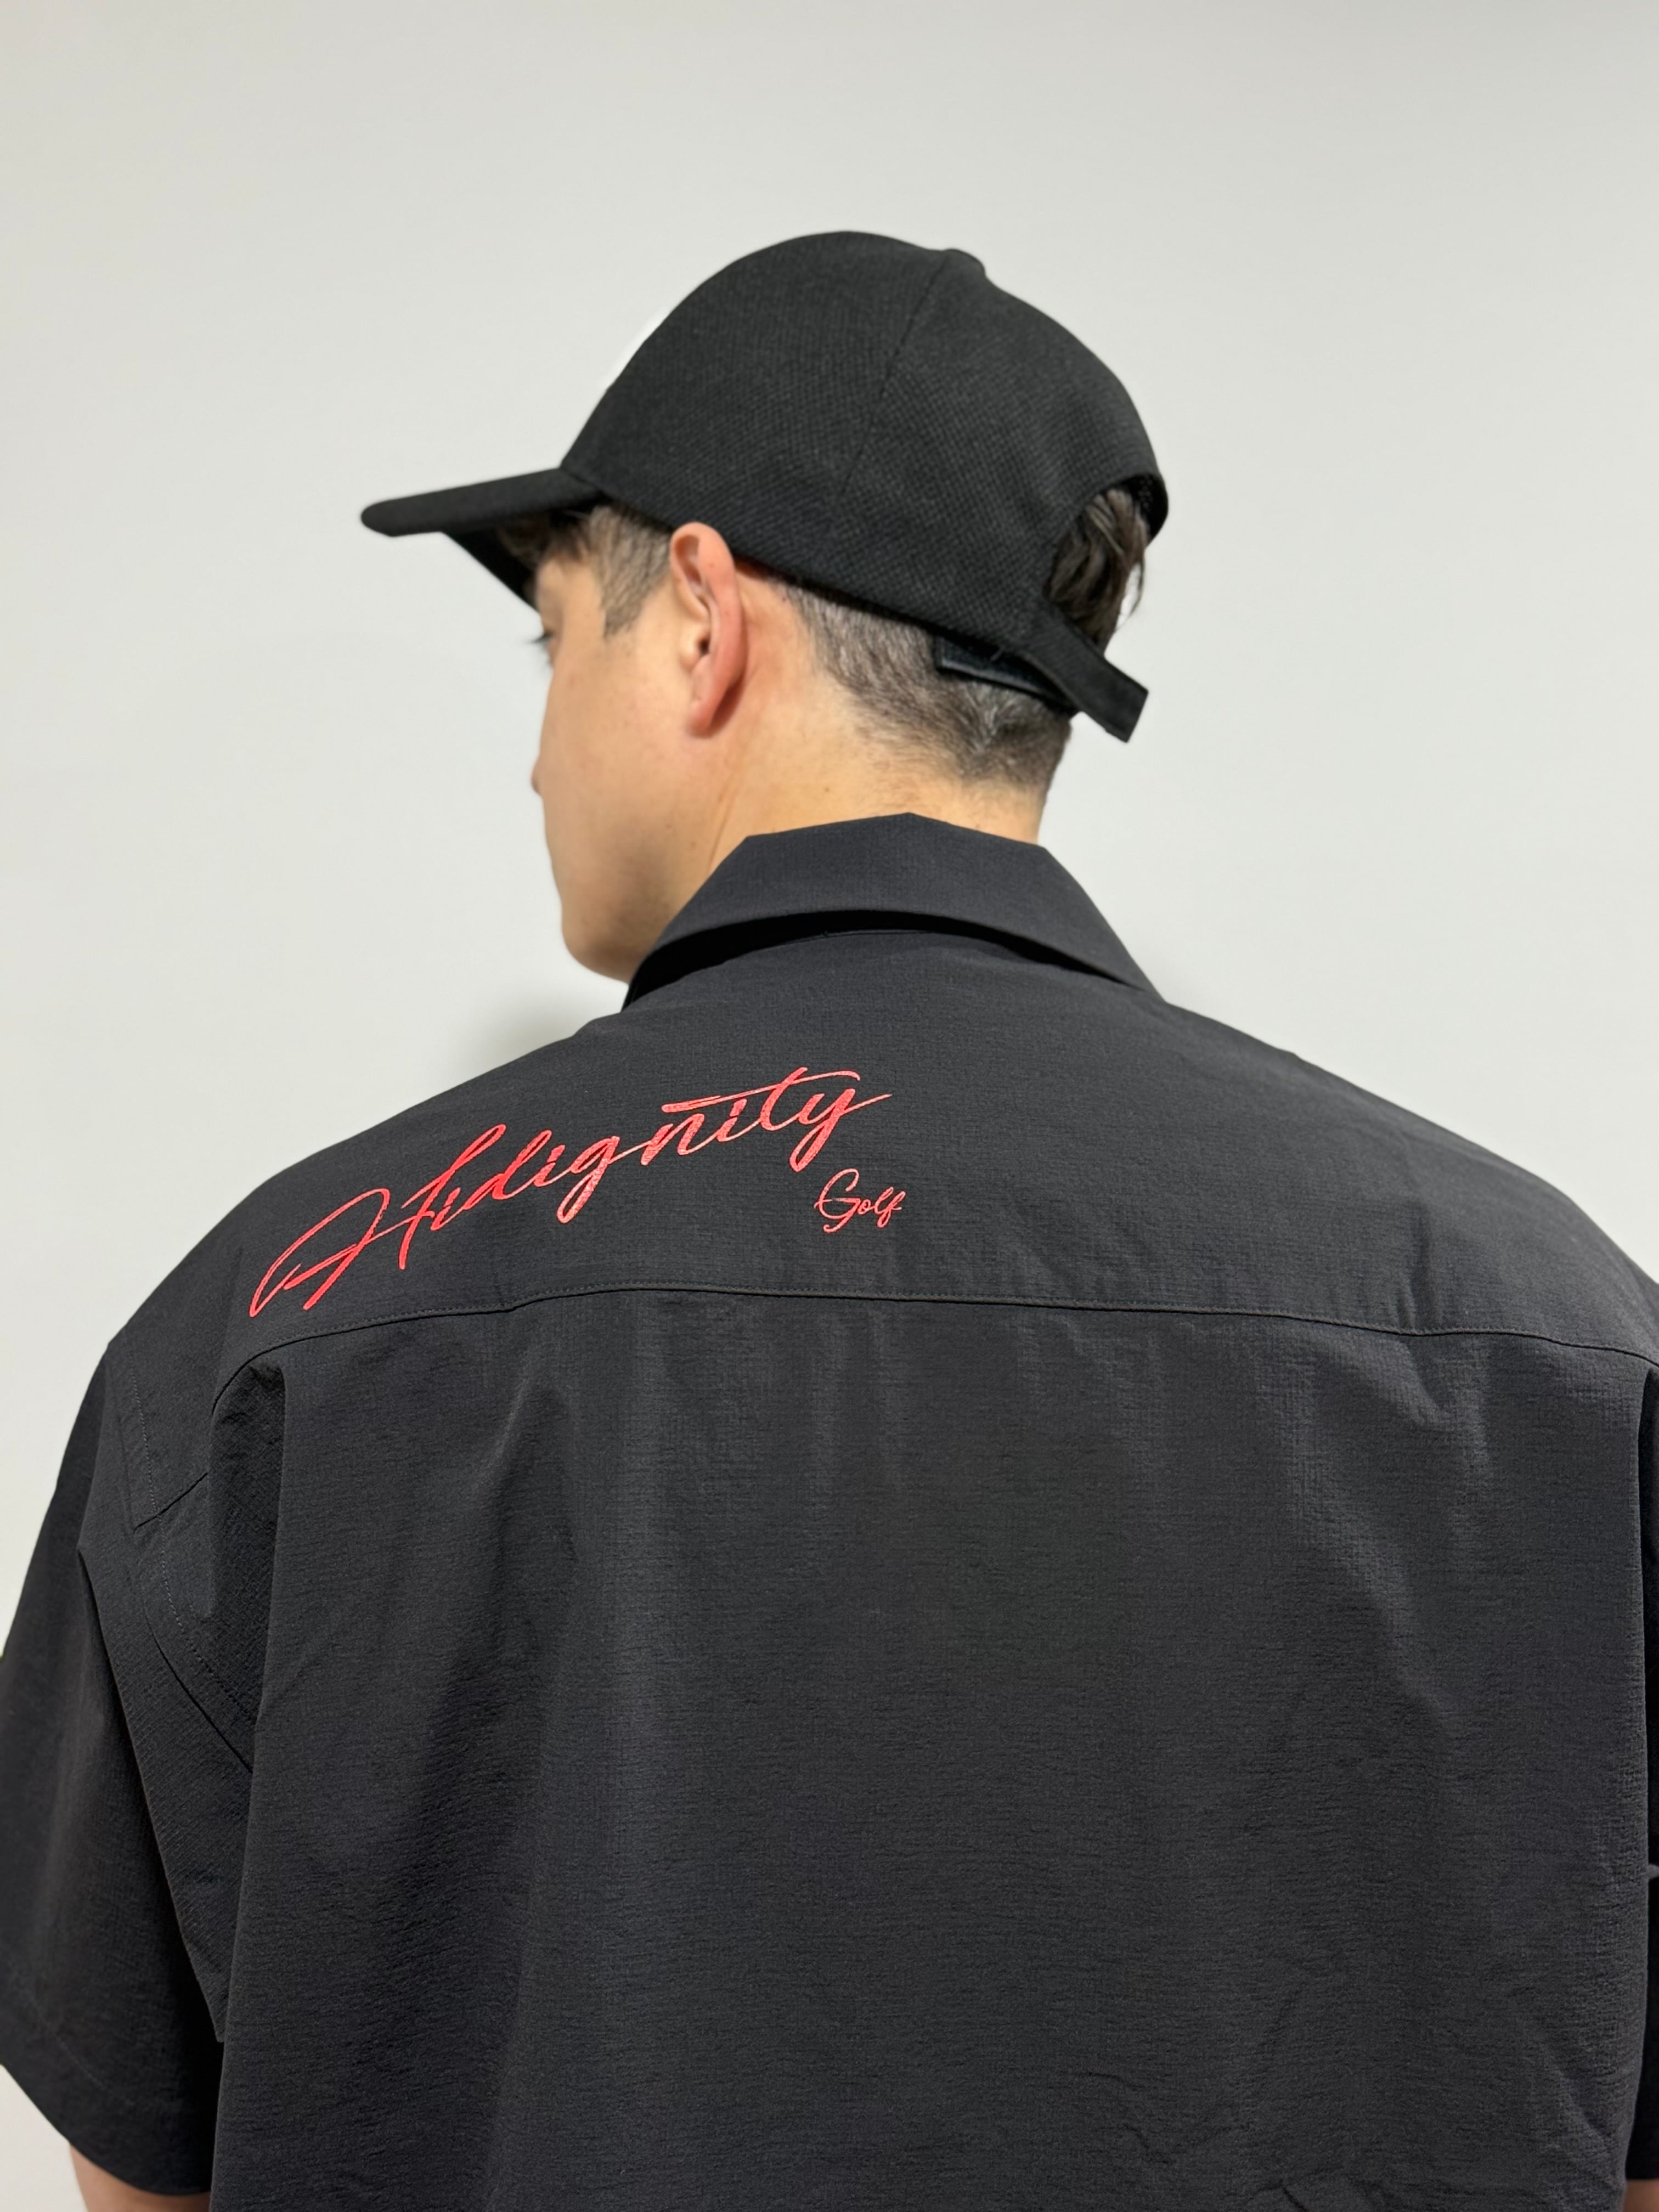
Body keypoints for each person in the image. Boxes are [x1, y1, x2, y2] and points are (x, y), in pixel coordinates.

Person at [2, 231, 1656, 2212]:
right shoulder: (1565, 1346)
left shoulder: (282, 1325)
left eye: (553, 642)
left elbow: (148, 2177)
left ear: (701, 619)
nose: (536, 748)